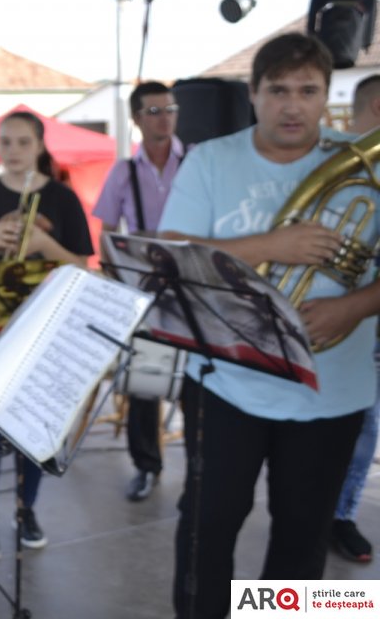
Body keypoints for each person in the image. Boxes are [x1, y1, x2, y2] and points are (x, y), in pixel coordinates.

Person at [159, 33, 380, 619]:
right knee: (207, 526)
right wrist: (272, 245)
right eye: (278, 90)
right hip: (227, 380)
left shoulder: (364, 161)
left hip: (331, 389)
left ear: (326, 96)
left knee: (302, 538)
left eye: (308, 91)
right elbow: (172, 253)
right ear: (253, 94)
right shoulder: (212, 160)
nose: (292, 106)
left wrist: (353, 307)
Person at [0, 110, 93, 561]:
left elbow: (82, 266)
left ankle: (25, 508)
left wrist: (44, 245)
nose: (13, 151)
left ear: (39, 146)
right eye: (5, 142)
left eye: (22, 143)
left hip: (47, 325)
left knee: (37, 424)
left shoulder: (62, 198)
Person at [92, 81, 183, 503]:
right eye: (154, 111)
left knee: (200, 383)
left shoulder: (196, 161)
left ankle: (203, 468)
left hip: (194, 285)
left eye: (170, 109)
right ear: (137, 119)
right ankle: (147, 465)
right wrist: (119, 282)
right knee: (145, 381)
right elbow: (107, 236)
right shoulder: (123, 171)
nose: (165, 118)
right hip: (145, 290)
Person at [330, 72, 380, 563]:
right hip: (327, 319)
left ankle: (339, 514)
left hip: (370, 320)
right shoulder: (328, 163)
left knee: (367, 427)